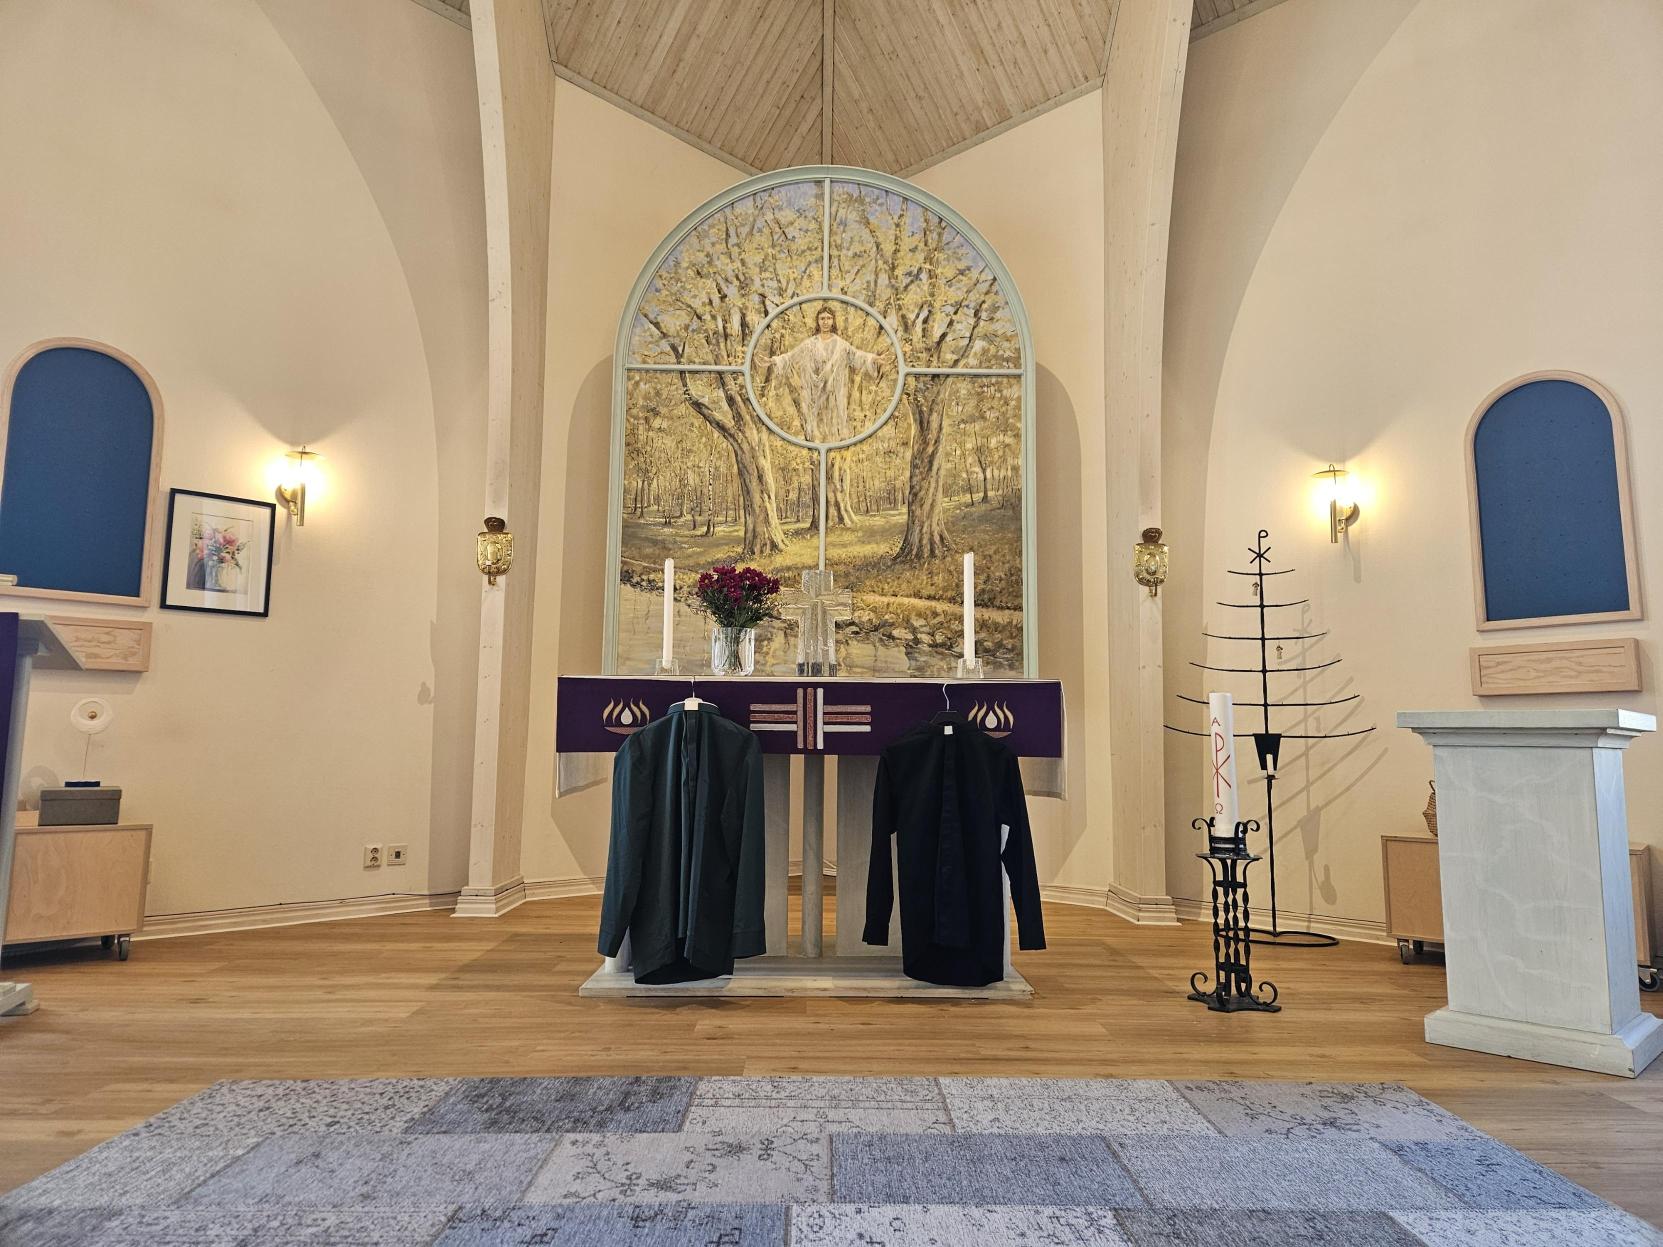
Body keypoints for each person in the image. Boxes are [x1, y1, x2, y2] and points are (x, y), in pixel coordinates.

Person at [758, 304, 895, 444]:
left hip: (834, 394)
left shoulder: (841, 345)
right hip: (815, 395)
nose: (825, 322)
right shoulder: (810, 344)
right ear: (818, 321)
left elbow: (856, 355)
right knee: (816, 430)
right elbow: (792, 356)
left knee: (833, 428)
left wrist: (876, 359)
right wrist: (772, 361)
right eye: (822, 318)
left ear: (833, 321)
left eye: (829, 318)